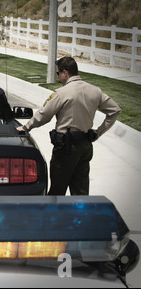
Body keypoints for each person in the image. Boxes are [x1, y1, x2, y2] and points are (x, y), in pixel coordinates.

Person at [16, 56, 121, 195]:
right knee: (81, 191)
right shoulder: (95, 90)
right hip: (85, 146)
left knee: (57, 191)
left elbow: (44, 115)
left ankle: (55, 216)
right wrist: (98, 132)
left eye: (58, 73)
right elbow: (115, 110)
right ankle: (80, 216)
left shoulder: (62, 92)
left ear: (65, 73)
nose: (58, 77)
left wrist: (26, 127)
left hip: (66, 148)